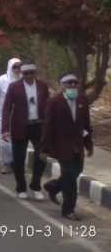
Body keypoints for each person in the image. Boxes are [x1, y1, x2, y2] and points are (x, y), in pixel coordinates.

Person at [40, 74, 93, 221]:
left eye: (75, 83)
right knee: (70, 179)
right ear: (62, 86)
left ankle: (54, 186)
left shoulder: (82, 100)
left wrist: (89, 145)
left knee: (78, 170)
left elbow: (86, 125)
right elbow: (47, 127)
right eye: (69, 83)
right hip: (62, 147)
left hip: (78, 145)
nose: (73, 86)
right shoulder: (54, 102)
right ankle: (68, 209)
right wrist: (44, 149)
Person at [0, 63, 50, 200]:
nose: (29, 75)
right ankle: (21, 187)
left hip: (38, 126)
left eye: (31, 73)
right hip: (20, 126)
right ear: (22, 74)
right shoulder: (14, 87)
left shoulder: (42, 86)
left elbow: (48, 106)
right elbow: (6, 109)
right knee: (18, 159)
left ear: (35, 73)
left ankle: (35, 185)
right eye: (26, 73)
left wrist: (49, 126)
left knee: (41, 156)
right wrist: (5, 129)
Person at [0, 58, 21, 174]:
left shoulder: (23, 81)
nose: (17, 70)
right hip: (2, 117)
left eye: (19, 67)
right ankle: (6, 164)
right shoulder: (2, 81)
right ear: (10, 67)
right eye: (14, 67)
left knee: (17, 141)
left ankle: (15, 163)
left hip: (18, 118)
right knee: (5, 142)